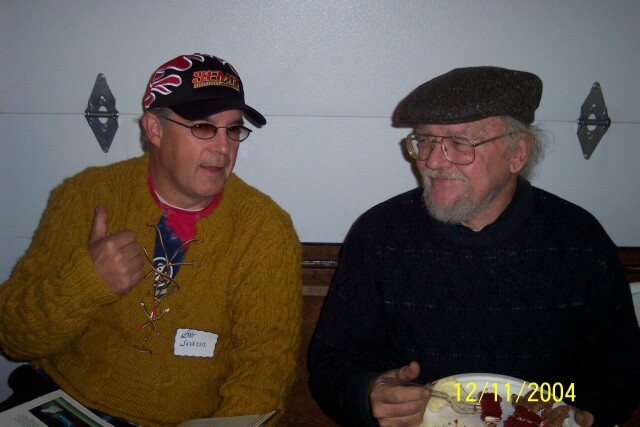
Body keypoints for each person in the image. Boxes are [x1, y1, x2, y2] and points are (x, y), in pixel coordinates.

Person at [308, 66, 640, 427]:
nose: (432, 162)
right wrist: (368, 393)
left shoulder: (578, 241)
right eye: (425, 140)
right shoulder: (380, 235)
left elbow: (622, 369)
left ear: (517, 153)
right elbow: (331, 364)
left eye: (459, 143)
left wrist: (588, 415)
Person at [0, 53, 302, 426]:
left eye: (233, 130)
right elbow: (14, 337)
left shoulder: (265, 230)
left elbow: (264, 369)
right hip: (65, 404)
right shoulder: (85, 195)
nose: (223, 148)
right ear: (154, 129)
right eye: (203, 127)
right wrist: (87, 282)